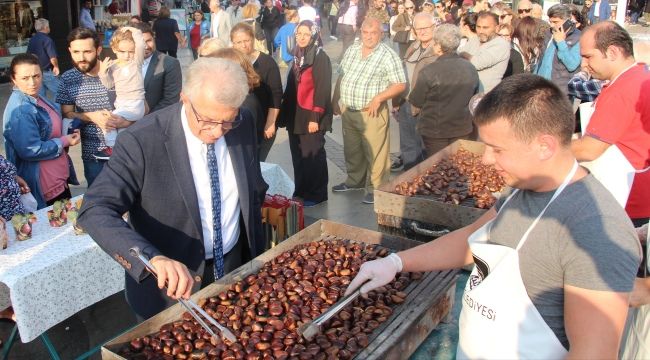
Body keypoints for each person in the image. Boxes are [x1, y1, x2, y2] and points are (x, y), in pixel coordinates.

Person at [346, 73, 641, 359]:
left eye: (497, 149)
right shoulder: (521, 188)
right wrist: (396, 262)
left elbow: (594, 353)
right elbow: (471, 241)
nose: (486, 159)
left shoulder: (597, 232)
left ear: (544, 146)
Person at [77, 58, 268, 321]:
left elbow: (252, 186)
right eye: (207, 120)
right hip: (168, 291)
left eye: (227, 122)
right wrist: (151, 259)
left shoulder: (243, 121)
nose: (217, 132)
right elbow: (95, 210)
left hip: (235, 271)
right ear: (184, 99)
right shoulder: (141, 140)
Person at [571, 21, 650, 225]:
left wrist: (539, 150)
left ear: (613, 52)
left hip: (625, 200)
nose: (584, 65)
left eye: (588, 56)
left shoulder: (623, 89)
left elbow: (589, 149)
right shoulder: (639, 74)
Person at [331, 18, 407, 204]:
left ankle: (377, 188)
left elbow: (400, 84)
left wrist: (380, 97)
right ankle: (354, 181)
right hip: (349, 110)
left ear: (381, 34)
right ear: (360, 33)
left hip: (371, 112)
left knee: (376, 153)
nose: (369, 37)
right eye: (366, 33)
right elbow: (342, 75)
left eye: (373, 33)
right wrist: (335, 100)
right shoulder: (352, 49)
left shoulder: (387, 55)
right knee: (352, 149)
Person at [4, 54, 81, 209]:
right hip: (45, 187)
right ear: (13, 79)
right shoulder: (22, 110)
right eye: (25, 78)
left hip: (57, 180)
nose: (32, 82)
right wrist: (65, 141)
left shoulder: (36, 97)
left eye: (36, 76)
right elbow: (31, 150)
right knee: (60, 229)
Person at [57, 28, 130, 184]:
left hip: (127, 152)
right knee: (100, 204)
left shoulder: (117, 71)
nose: (81, 58)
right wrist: (91, 116)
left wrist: (124, 122)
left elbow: (142, 106)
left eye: (87, 52)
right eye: (76, 52)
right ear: (69, 50)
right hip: (93, 156)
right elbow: (67, 113)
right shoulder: (67, 78)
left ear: (98, 49)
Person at [279, 20, 332, 207]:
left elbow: (323, 89)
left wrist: (315, 117)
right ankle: (301, 190)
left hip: (311, 114)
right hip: (295, 114)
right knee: (298, 155)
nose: (301, 37)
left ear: (314, 35)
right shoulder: (297, 55)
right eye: (298, 34)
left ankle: (317, 194)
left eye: (306, 34)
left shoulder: (319, 56)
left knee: (313, 155)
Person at [409, 24, 478, 156]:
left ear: (438, 46)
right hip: (462, 128)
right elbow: (473, 96)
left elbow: (416, 100)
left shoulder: (429, 71)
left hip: (435, 131)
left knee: (438, 168)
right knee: (458, 166)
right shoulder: (470, 68)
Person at [230, 23, 282, 161]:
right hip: (237, 126)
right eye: (238, 42)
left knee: (257, 164)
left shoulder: (267, 62)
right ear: (233, 44)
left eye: (246, 40)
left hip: (262, 124)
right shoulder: (231, 62)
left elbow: (276, 95)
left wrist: (270, 123)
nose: (243, 45)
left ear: (253, 39)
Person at [394, 13, 439, 171]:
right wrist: (397, 101)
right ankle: (410, 178)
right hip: (407, 103)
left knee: (424, 147)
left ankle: (424, 182)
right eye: (418, 28)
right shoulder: (412, 47)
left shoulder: (439, 50)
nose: (422, 31)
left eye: (426, 27)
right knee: (408, 146)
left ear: (434, 27)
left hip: (427, 106)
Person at [535, 5, 581, 95]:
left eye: (556, 22)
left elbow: (572, 65)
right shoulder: (549, 33)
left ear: (567, 20)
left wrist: (561, 42)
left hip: (560, 91)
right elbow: (541, 61)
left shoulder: (578, 38)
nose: (552, 25)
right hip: (541, 86)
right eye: (550, 22)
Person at [139, 23, 182, 113]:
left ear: (154, 39)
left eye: (148, 41)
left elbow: (170, 101)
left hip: (153, 121)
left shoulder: (169, 63)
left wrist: (143, 120)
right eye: (141, 42)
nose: (146, 46)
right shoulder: (124, 63)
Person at [462, 11, 509, 92]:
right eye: (478, 27)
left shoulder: (501, 44)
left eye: (485, 28)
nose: (481, 31)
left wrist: (463, 54)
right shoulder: (474, 40)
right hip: (467, 93)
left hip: (486, 96)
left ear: (497, 28)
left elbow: (477, 63)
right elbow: (457, 57)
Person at [27, 18, 60, 102]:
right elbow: (52, 57)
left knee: (40, 96)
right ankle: (55, 111)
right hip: (46, 71)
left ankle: (44, 111)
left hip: (36, 71)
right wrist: (56, 66)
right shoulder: (47, 39)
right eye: (48, 26)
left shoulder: (32, 39)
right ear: (46, 27)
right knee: (59, 92)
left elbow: (29, 55)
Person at [0, 155, 29, 221]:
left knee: (22, 229)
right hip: (2, 214)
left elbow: (8, 173)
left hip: (15, 205)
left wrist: (22, 182)